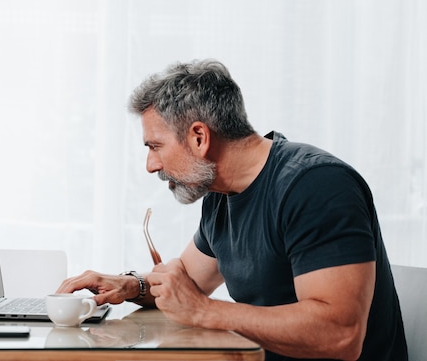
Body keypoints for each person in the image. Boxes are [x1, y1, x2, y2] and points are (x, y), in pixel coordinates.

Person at [57, 59, 407, 361]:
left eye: (155, 146)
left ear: (199, 137)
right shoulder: (221, 195)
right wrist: (131, 285)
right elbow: (187, 283)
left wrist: (204, 311)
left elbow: (342, 335)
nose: (150, 165)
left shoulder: (316, 185)